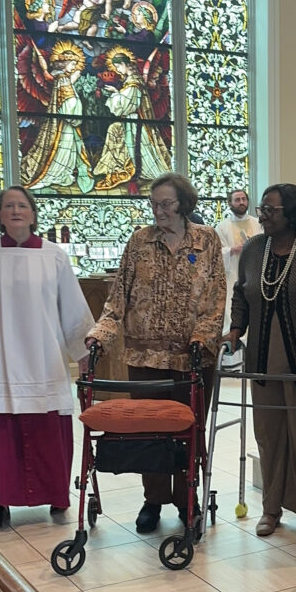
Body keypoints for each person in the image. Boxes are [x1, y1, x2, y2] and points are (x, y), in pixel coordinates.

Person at [88, 173, 227, 535]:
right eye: (154, 204)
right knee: (149, 431)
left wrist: (202, 338)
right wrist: (100, 334)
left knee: (188, 430)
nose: (158, 210)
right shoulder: (139, 241)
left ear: (184, 203)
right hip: (145, 358)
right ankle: (153, 500)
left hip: (191, 358)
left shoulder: (207, 240)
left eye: (166, 203)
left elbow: (216, 300)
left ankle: (187, 499)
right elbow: (118, 298)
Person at [0, 186, 89, 531]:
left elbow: (72, 307)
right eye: (9, 206)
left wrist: (83, 351)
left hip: (44, 357)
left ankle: (57, 494)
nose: (15, 211)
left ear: (33, 213)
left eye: (22, 205)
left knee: (48, 430)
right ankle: (0, 502)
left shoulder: (54, 256)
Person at [227, 184, 296, 541]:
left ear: (292, 213)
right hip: (263, 360)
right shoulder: (255, 248)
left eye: (271, 210)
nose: (263, 216)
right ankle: (271, 510)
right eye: (262, 209)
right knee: (268, 437)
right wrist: (235, 330)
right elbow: (241, 294)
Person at [214, 188, 259, 333]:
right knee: (232, 308)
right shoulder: (222, 227)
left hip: (255, 273)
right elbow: (215, 253)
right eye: (237, 200)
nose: (241, 202)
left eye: (244, 199)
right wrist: (231, 250)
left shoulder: (258, 223)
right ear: (230, 203)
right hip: (232, 274)